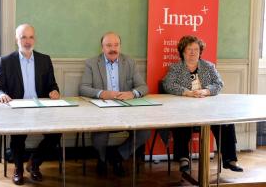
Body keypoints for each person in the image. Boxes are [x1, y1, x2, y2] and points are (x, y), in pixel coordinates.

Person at [0, 23, 61, 185]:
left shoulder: (45, 59)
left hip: (41, 108)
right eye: (23, 37)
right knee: (17, 138)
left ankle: (34, 163)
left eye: (30, 37)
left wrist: (54, 91)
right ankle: (18, 168)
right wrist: (1, 94)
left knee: (56, 134)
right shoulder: (7, 61)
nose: (27, 41)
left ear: (34, 39)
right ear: (17, 39)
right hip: (18, 109)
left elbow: (53, 85)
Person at [162, 35, 243, 173]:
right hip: (185, 108)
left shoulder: (208, 66)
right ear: (183, 51)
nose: (193, 52)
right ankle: (183, 158)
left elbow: (219, 84)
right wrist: (187, 92)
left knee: (226, 122)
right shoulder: (175, 68)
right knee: (182, 121)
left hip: (208, 109)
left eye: (196, 49)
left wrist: (206, 91)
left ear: (200, 51)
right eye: (189, 49)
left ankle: (229, 159)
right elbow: (168, 84)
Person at [79, 31, 151, 177]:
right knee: (100, 131)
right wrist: (101, 93)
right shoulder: (92, 63)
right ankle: (102, 160)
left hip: (126, 109)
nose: (113, 49)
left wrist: (132, 93)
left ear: (120, 46)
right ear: (102, 48)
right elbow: (83, 88)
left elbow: (143, 87)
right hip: (102, 109)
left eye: (116, 45)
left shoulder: (129, 62)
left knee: (145, 131)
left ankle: (118, 156)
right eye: (109, 45)